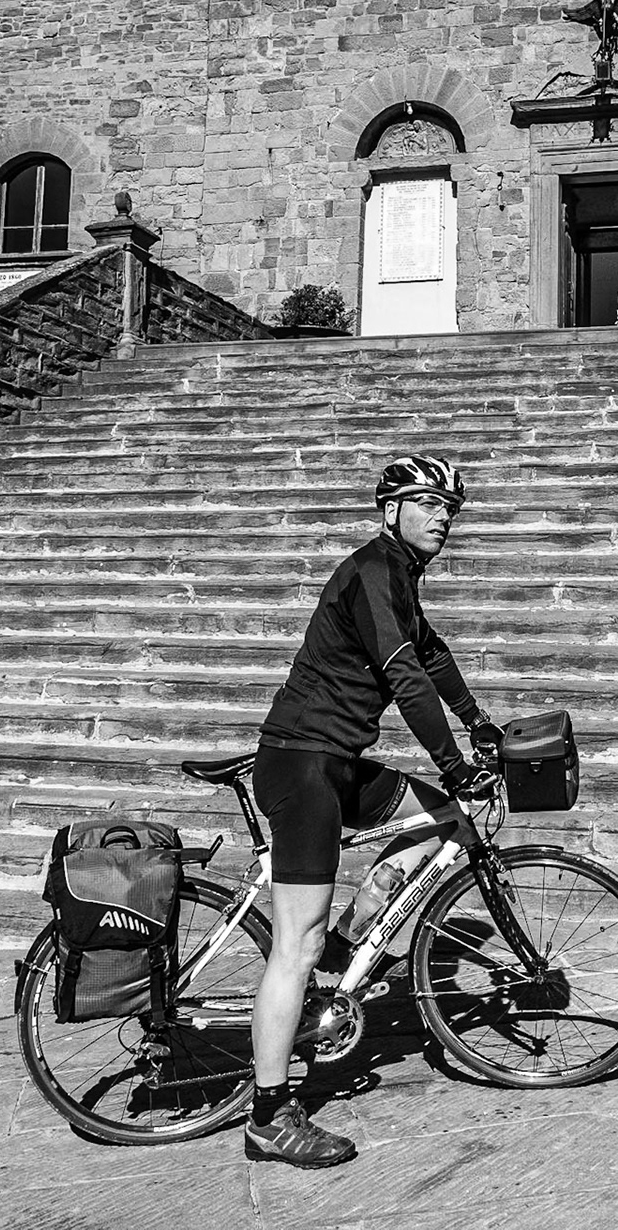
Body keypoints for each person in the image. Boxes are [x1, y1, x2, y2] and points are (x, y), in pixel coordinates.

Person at [244, 453, 503, 1168]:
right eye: (428, 503)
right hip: (302, 765)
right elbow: (405, 675)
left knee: (439, 819)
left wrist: (478, 721)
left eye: (450, 506)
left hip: (338, 762)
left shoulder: (400, 579)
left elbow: (434, 654)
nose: (443, 516)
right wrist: (453, 760)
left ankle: (348, 940)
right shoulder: (370, 571)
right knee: (293, 946)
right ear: (391, 510)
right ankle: (268, 1115)